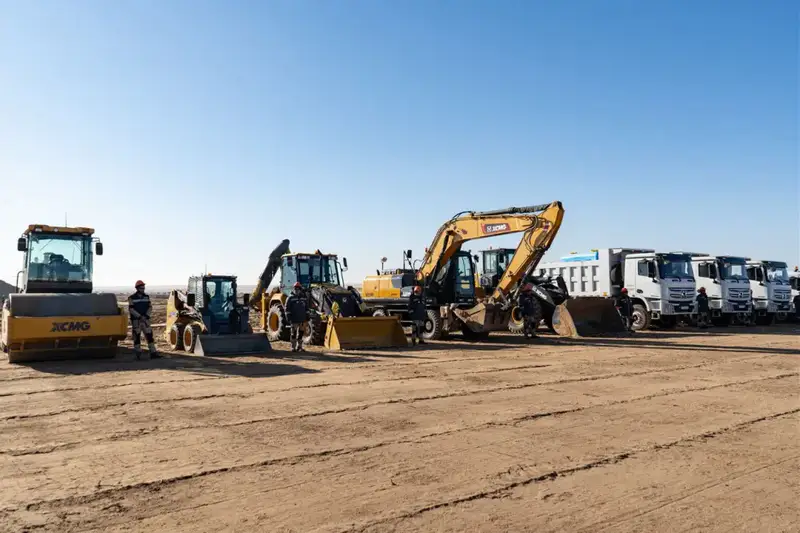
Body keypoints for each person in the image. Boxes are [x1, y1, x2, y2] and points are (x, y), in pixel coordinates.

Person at [128, 280, 159, 359]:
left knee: (149, 336)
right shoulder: (131, 298)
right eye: (141, 288)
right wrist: (140, 317)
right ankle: (138, 354)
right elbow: (131, 309)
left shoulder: (146, 297)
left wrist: (145, 316)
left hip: (145, 320)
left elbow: (150, 307)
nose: (143, 289)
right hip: (136, 321)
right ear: (137, 288)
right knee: (137, 337)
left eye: (144, 288)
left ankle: (153, 353)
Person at [285, 282, 308, 352]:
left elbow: (306, 308)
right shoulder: (290, 298)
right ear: (294, 289)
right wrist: (288, 317)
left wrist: (307, 316)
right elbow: (287, 309)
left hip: (302, 319)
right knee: (293, 333)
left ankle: (299, 347)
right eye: (296, 288)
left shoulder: (304, 298)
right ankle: (293, 347)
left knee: (301, 333)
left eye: (298, 288)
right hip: (294, 319)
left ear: (300, 289)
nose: (297, 290)